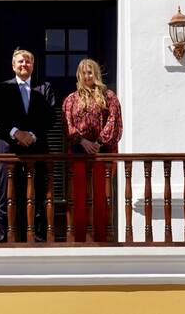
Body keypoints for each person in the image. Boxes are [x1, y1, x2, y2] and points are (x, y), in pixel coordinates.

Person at [0, 49, 56, 242]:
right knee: (6, 196)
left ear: (33, 66)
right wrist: (15, 133)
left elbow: (50, 117)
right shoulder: (2, 88)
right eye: (20, 61)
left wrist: (33, 135)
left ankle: (37, 239)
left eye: (28, 62)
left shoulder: (45, 88)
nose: (24, 64)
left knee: (36, 194)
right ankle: (4, 239)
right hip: (9, 150)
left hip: (36, 150)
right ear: (13, 66)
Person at [62, 58, 122, 242]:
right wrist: (82, 141)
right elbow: (67, 124)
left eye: (90, 72)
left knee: (101, 196)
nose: (87, 76)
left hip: (101, 153)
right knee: (79, 195)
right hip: (79, 152)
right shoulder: (71, 99)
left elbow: (114, 121)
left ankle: (101, 237)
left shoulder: (108, 96)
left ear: (96, 73)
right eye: (83, 72)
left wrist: (98, 142)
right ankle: (79, 237)